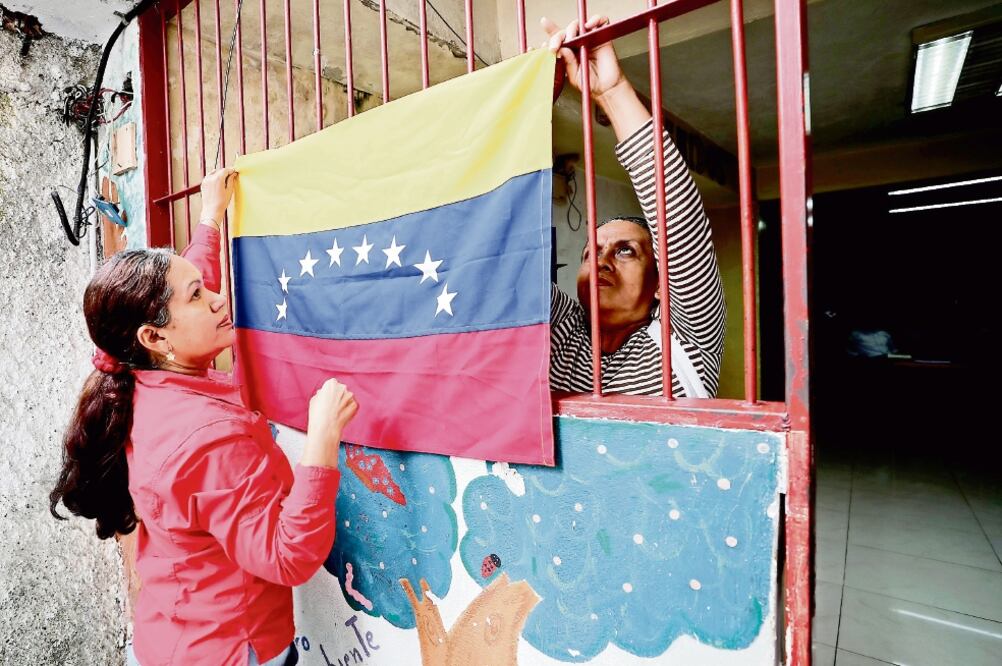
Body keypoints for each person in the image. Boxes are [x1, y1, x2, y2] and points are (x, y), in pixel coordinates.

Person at [49, 168, 358, 666]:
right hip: (230, 651)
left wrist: (210, 219)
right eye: (198, 296)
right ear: (153, 337)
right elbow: (286, 554)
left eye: (201, 288)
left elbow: (183, 296)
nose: (217, 299)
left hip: (168, 640)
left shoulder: (139, 380)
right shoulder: (207, 438)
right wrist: (322, 439)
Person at [542, 16, 726, 398]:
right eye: (591, 252)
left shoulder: (683, 345)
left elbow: (678, 218)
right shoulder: (558, 329)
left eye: (625, 250)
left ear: (662, 284)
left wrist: (612, 93)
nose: (601, 262)